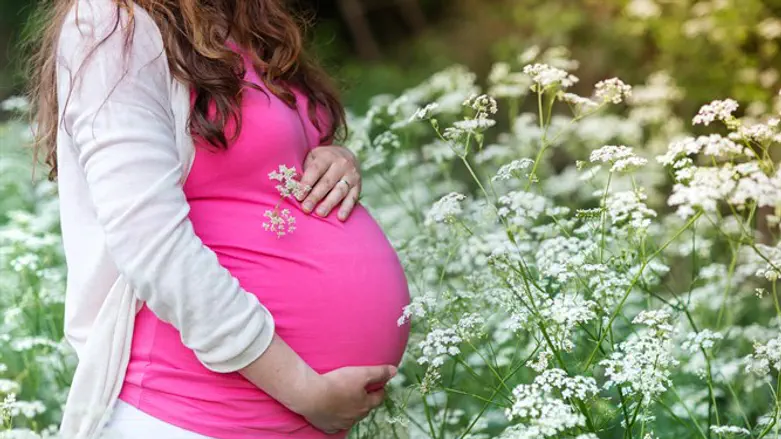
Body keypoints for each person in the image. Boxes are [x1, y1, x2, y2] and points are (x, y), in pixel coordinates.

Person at [26, 0, 411, 437]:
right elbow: (150, 242)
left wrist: (335, 159)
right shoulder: (112, 23)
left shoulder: (246, 17)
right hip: (193, 413)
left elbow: (254, 167)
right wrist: (306, 391)